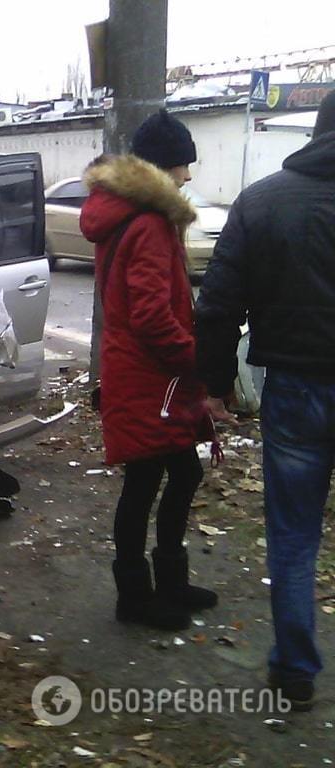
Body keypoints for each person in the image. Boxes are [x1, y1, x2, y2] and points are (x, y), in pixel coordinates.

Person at [194, 92, 335, 712]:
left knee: (295, 533)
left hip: (297, 389)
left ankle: (296, 671)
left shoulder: (263, 199)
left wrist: (215, 383)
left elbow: (219, 304)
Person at [80, 109, 218, 632]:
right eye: (184, 165)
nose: (188, 176)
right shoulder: (151, 222)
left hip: (139, 373)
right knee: (150, 480)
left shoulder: (128, 216)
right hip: (149, 378)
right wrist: (194, 358)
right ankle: (137, 596)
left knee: (173, 473)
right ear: (164, 168)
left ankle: (167, 583)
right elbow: (151, 314)